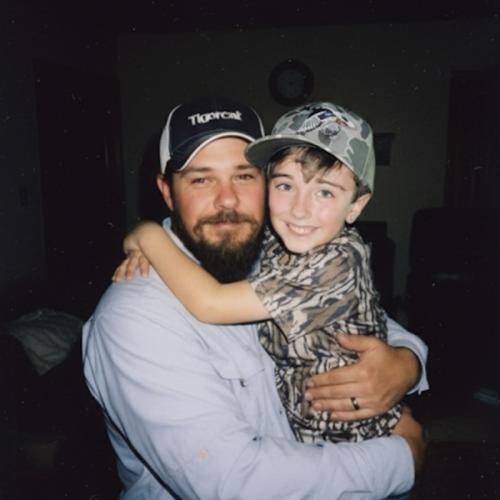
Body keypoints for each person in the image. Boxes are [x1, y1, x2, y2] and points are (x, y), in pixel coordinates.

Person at [82, 96, 428, 499]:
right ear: (167, 192)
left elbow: (364, 314)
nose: (228, 199)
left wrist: (405, 362)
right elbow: (235, 484)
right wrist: (401, 458)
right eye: (201, 179)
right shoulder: (134, 318)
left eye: (244, 176)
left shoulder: (277, 249)